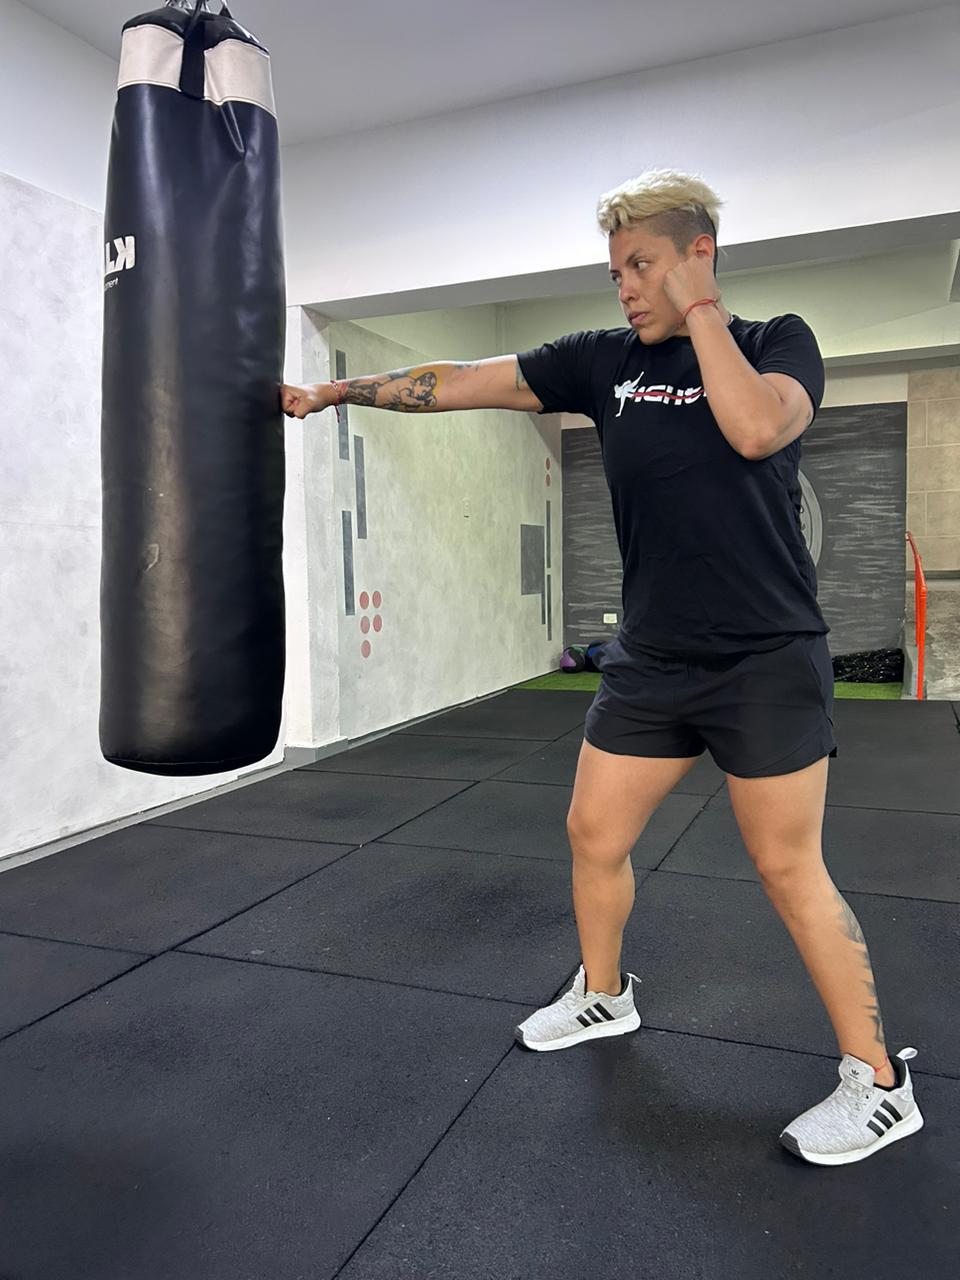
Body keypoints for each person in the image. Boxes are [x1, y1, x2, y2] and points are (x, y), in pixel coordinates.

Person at [280, 167, 923, 1166]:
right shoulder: (598, 362)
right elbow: (463, 379)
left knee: (787, 865)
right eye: (615, 269)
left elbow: (756, 427)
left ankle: (879, 1083)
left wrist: (699, 311)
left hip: (764, 656)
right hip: (654, 657)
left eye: (642, 264)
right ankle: (605, 993)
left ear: (699, 254)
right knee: (593, 830)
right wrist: (334, 391)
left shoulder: (777, 343)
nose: (624, 286)